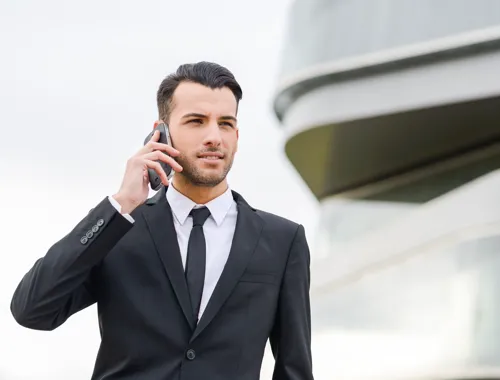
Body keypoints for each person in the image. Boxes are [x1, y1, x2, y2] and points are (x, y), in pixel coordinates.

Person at [10, 61, 314, 380]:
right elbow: (32, 310)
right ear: (161, 133)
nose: (214, 137)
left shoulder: (283, 241)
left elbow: (295, 369)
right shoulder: (118, 228)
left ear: (236, 135)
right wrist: (121, 203)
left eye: (225, 123)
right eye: (196, 121)